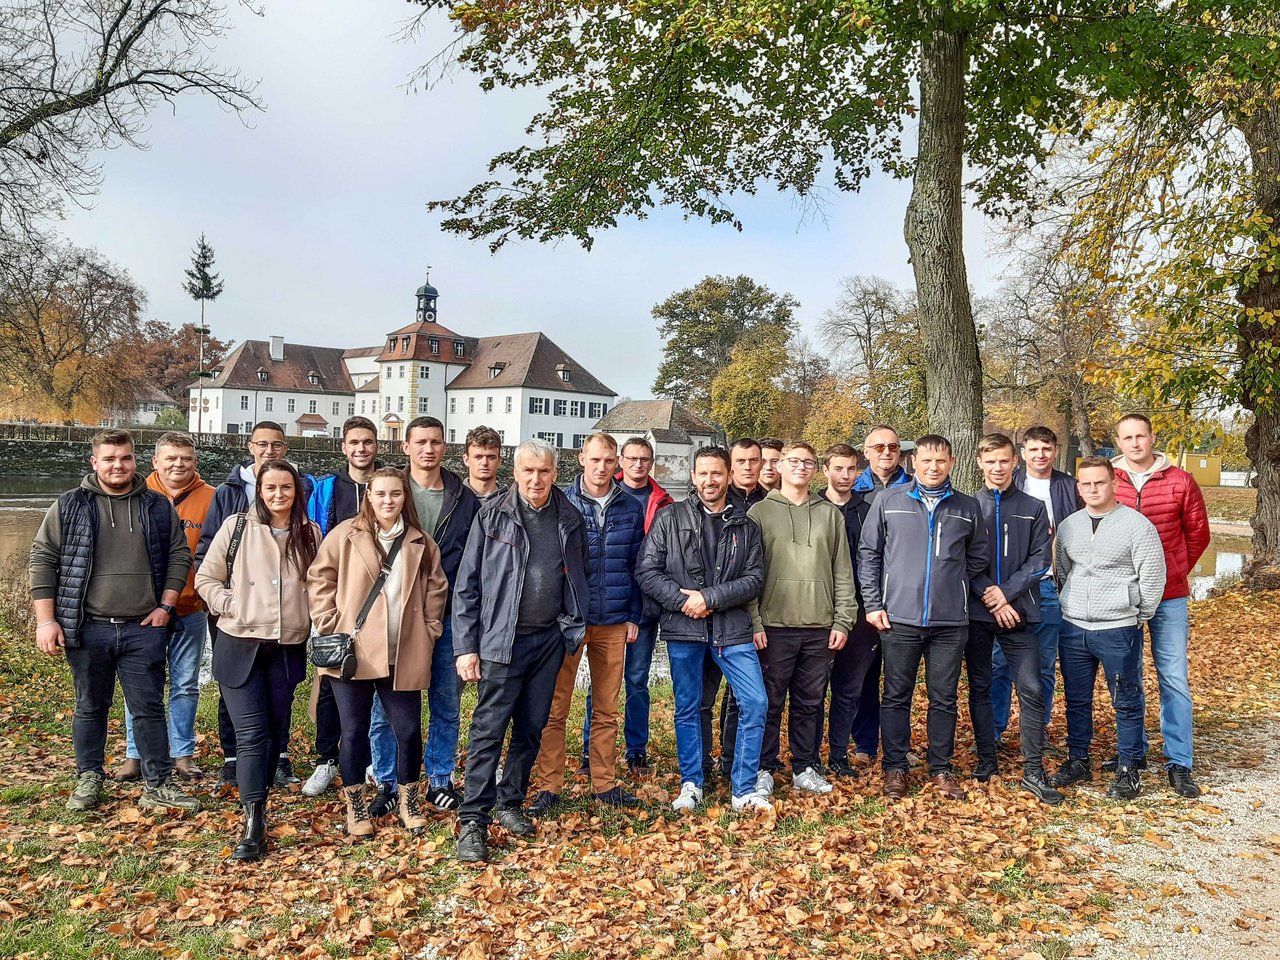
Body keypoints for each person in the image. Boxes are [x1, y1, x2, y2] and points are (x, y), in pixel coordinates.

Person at [30, 429, 199, 814]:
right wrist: (46, 621)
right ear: (95, 462)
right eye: (109, 459)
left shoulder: (156, 506)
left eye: (124, 458)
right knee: (90, 706)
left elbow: (178, 556)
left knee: (149, 708)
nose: (117, 465)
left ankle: (158, 782)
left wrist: (166, 606)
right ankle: (89, 777)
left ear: (135, 460)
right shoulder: (70, 505)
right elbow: (43, 560)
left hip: (144, 627)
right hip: (89, 626)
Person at [452, 438, 589, 863]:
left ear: (555, 471)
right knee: (489, 729)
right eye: (528, 471)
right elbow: (467, 585)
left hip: (547, 639)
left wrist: (571, 623)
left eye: (544, 471)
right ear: (515, 473)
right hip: (500, 638)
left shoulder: (569, 517)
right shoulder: (492, 516)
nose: (536, 479)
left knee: (531, 727)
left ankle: (510, 803)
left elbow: (577, 577)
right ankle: (473, 818)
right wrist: (466, 647)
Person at [308, 468, 449, 837]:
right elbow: (319, 578)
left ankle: (409, 801)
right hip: (352, 651)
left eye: (396, 494)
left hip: (400, 651)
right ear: (368, 495)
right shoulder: (346, 535)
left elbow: (437, 588)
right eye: (381, 494)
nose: (388, 501)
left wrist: (430, 629)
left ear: (406, 498)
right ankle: (355, 807)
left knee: (407, 730)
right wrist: (328, 621)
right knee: (353, 731)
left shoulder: (420, 540)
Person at [196, 460, 320, 859]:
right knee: (250, 735)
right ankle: (254, 823)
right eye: (271, 488)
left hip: (285, 649)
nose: (279, 495)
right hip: (240, 644)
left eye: (286, 488)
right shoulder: (236, 529)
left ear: (296, 492)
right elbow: (205, 578)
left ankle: (260, 800)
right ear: (260, 491)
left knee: (271, 735)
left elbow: (320, 587)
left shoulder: (310, 534)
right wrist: (229, 602)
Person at [636, 446, 770, 812]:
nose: (710, 480)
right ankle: (692, 783)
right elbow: (647, 571)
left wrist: (709, 598)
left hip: (732, 628)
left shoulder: (747, 524)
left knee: (755, 702)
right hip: (684, 629)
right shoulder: (670, 518)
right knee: (689, 707)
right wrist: (683, 602)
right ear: (693, 477)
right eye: (703, 473)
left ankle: (743, 788)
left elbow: (755, 579)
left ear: (728, 477)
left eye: (717, 473)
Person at [859, 435, 988, 801]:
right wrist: (873, 603)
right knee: (896, 695)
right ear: (914, 462)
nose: (933, 468)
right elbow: (870, 554)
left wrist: (952, 579)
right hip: (899, 617)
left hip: (950, 621)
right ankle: (896, 767)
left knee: (944, 698)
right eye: (927, 461)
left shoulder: (967, 507)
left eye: (941, 461)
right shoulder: (888, 501)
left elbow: (977, 557)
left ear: (951, 462)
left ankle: (941, 768)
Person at [364, 416, 480, 814]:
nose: (428, 449)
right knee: (387, 705)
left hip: (448, 613)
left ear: (445, 448)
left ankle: (440, 778)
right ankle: (388, 781)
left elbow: (472, 559)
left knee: (446, 700)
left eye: (435, 442)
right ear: (406, 447)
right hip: (394, 614)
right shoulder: (391, 491)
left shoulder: (464, 499)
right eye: (421, 442)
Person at [531, 433, 645, 813]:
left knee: (607, 708)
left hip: (613, 620)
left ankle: (604, 783)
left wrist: (633, 614)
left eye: (609, 461)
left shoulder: (629, 507)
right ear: (581, 459)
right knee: (555, 706)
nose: (601, 468)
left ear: (617, 464)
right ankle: (549, 786)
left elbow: (637, 565)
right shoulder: (561, 502)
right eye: (595, 460)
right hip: (568, 621)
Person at [1050, 457, 1166, 800]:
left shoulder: (1137, 525)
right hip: (1073, 627)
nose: (1092, 489)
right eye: (1085, 484)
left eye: (1099, 483)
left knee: (1126, 700)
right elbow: (1063, 570)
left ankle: (1129, 768)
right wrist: (1071, 604)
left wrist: (1135, 611)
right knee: (1076, 698)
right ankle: (1078, 759)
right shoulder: (1069, 525)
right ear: (1078, 487)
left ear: (1114, 483)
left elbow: (1153, 576)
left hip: (1118, 627)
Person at [748, 441, 857, 798]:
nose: (800, 467)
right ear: (779, 467)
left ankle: (805, 766)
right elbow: (749, 574)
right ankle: (763, 767)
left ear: (815, 470)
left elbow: (843, 571)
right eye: (793, 461)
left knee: (811, 701)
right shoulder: (760, 514)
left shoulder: (830, 515)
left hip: (819, 625)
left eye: (808, 463)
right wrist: (754, 621)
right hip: (774, 625)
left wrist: (843, 620)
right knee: (770, 701)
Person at [1112, 414, 1210, 798]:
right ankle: (1133, 754)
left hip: (1170, 596)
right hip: (1122, 597)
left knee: (1173, 676)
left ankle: (1179, 762)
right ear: (1118, 441)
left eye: (1141, 436)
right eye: (1128, 437)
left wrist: (1174, 570)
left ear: (1152, 438)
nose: (1135, 443)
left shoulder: (1180, 480)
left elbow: (1198, 533)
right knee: (1127, 676)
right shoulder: (1110, 478)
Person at [966, 434, 1063, 804]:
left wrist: (1007, 592)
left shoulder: (1033, 506)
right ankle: (986, 759)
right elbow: (960, 562)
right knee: (981, 686)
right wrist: (992, 595)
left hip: (1020, 611)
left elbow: (1040, 559)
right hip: (977, 612)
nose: (998, 467)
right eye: (991, 461)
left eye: (1004, 461)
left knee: (1032, 688)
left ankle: (1034, 771)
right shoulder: (968, 506)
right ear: (980, 463)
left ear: (1014, 463)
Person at [113, 432, 214, 783]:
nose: (178, 464)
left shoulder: (211, 499)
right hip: (143, 609)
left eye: (185, 458)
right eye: (170, 458)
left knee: (186, 683)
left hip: (190, 608)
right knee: (141, 684)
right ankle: (134, 753)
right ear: (155, 461)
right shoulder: (137, 495)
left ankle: (182, 753)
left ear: (195, 461)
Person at [578, 435, 673, 778]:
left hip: (640, 607)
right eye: (631, 459)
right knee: (599, 685)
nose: (637, 465)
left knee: (636, 680)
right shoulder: (598, 495)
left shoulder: (662, 502)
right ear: (622, 461)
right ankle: (591, 753)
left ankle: (636, 750)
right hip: (593, 607)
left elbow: (648, 561)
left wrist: (638, 612)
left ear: (651, 463)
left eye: (644, 460)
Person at [303, 415, 382, 798]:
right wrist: (324, 612)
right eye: (355, 442)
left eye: (367, 442)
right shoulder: (327, 488)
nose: (361, 449)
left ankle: (368, 758)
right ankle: (326, 759)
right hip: (337, 603)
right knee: (330, 685)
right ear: (344, 447)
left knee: (375, 685)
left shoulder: (388, 486)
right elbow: (316, 546)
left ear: (376, 446)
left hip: (379, 606)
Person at [991, 426, 1083, 753]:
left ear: (1055, 450)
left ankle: (1037, 731)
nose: (1040, 455)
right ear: (1023, 453)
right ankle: (994, 731)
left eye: (1046, 449)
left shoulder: (1069, 487)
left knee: (1044, 664)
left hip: (1050, 587)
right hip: (1009, 590)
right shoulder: (1008, 482)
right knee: (999, 663)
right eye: (1033, 449)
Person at [841, 426, 912, 767]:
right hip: (863, 599)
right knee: (863, 676)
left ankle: (900, 745)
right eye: (879, 447)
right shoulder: (854, 490)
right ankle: (865, 743)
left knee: (900, 677)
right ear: (865, 453)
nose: (887, 452)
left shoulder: (915, 488)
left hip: (904, 598)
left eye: (893, 447)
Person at [704, 437, 766, 778]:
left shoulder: (765, 506)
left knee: (748, 699)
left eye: (753, 461)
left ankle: (735, 766)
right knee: (700, 701)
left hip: (741, 618)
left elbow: (755, 574)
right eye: (741, 461)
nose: (748, 467)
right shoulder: (693, 511)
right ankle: (700, 769)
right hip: (701, 619)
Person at [817, 443, 880, 778]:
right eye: (838, 468)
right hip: (816, 611)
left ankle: (839, 754)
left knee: (849, 688)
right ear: (825, 470)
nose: (845, 475)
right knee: (812, 690)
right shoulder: (812, 507)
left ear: (858, 472)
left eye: (851, 469)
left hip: (858, 612)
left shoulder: (868, 510)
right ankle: (809, 755)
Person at [462, 425, 507, 502]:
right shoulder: (451, 499)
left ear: (499, 461)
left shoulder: (510, 502)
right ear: (466, 460)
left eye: (491, 457)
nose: (484, 463)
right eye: (478, 457)